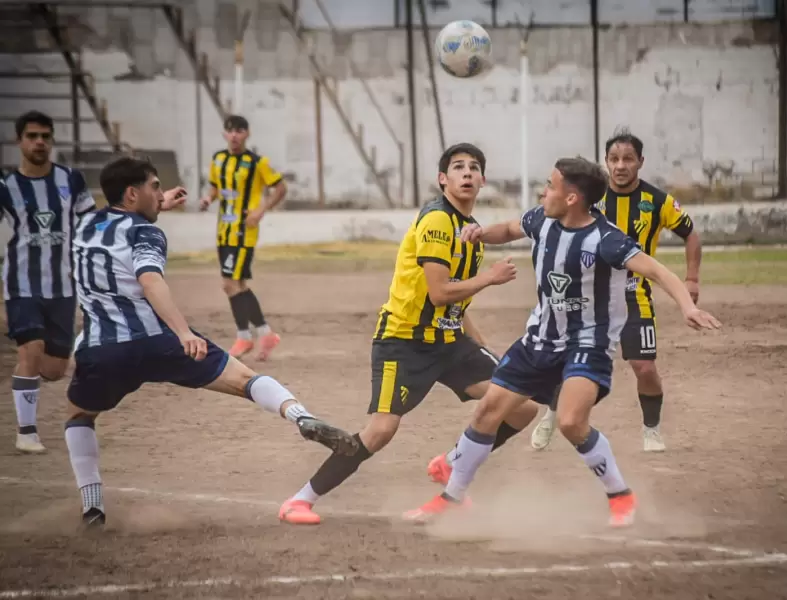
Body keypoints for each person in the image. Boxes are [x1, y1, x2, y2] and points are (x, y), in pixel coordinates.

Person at [403, 157, 720, 527]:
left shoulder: (606, 240)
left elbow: (656, 269)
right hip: (539, 339)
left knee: (571, 422)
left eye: (551, 186)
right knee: (488, 412)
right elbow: (508, 229)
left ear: (571, 198)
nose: (544, 191)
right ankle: (452, 497)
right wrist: (480, 233)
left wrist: (687, 307)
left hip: (588, 343)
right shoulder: (541, 219)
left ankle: (620, 495)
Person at [64, 156, 357, 528]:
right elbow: (150, 280)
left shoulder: (85, 223)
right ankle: (301, 417)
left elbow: (118, 226)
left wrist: (156, 204)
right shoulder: (146, 233)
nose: (162, 192)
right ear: (133, 193)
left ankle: (92, 507)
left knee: (78, 415)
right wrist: (184, 332)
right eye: (156, 187)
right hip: (159, 341)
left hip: (99, 349)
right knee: (245, 380)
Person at [277, 143, 542, 526]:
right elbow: (439, 292)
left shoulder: (467, 228)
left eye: (474, 168)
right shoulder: (437, 220)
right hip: (403, 342)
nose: (467, 173)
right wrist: (490, 278)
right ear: (443, 179)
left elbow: (453, 300)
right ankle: (301, 500)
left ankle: (452, 464)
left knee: (522, 405)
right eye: (458, 167)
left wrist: (480, 345)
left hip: (449, 342)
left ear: (482, 180)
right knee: (382, 430)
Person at [530, 130, 703, 453]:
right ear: (606, 162)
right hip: (587, 298)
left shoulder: (657, 201)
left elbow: (690, 234)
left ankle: (651, 429)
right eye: (614, 159)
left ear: (640, 162)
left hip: (633, 296)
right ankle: (552, 412)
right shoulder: (591, 197)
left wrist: (691, 278)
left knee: (645, 367)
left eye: (628, 159)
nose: (620, 166)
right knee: (565, 361)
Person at [1, 111, 97, 454]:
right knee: (31, 349)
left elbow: (90, 225)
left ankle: (27, 378)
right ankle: (26, 432)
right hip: (21, 286)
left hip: (64, 287)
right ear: (20, 141)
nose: (39, 142)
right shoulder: (6, 188)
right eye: (32, 136)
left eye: (45, 135)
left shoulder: (71, 180)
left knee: (55, 369)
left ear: (52, 140)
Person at [200, 115, 286, 361]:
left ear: (247, 134)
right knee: (238, 285)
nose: (234, 135)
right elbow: (216, 187)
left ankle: (244, 337)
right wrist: (209, 198)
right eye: (230, 131)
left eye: (239, 131)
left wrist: (260, 210)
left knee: (229, 284)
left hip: (243, 231)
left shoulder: (257, 162)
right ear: (224, 134)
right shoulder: (218, 159)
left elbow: (280, 188)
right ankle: (265, 334)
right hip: (223, 230)